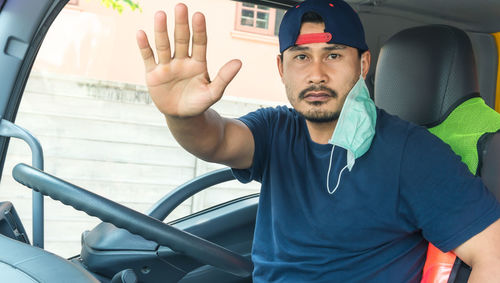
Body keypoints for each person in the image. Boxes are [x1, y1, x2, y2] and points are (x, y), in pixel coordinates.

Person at [136, 0, 500, 281]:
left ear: (363, 64)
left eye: (334, 55)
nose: (316, 74)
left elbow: (493, 256)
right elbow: (214, 140)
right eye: (301, 57)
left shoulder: (413, 153)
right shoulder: (276, 129)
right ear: (282, 68)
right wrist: (183, 115)